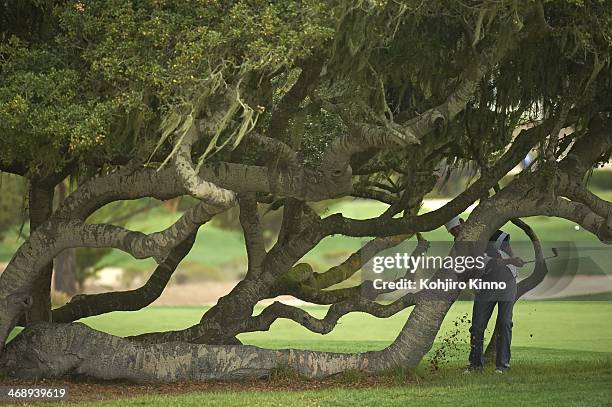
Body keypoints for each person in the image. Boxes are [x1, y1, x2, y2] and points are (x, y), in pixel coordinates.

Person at [445, 216, 525, 373]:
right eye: (452, 232)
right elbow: (488, 263)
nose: (455, 233)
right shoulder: (460, 245)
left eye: (456, 228)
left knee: (504, 322)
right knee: (477, 326)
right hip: (485, 285)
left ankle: (502, 366)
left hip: (506, 280)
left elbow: (504, 244)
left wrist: (513, 258)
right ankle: (475, 365)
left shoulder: (485, 233)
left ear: (463, 223)